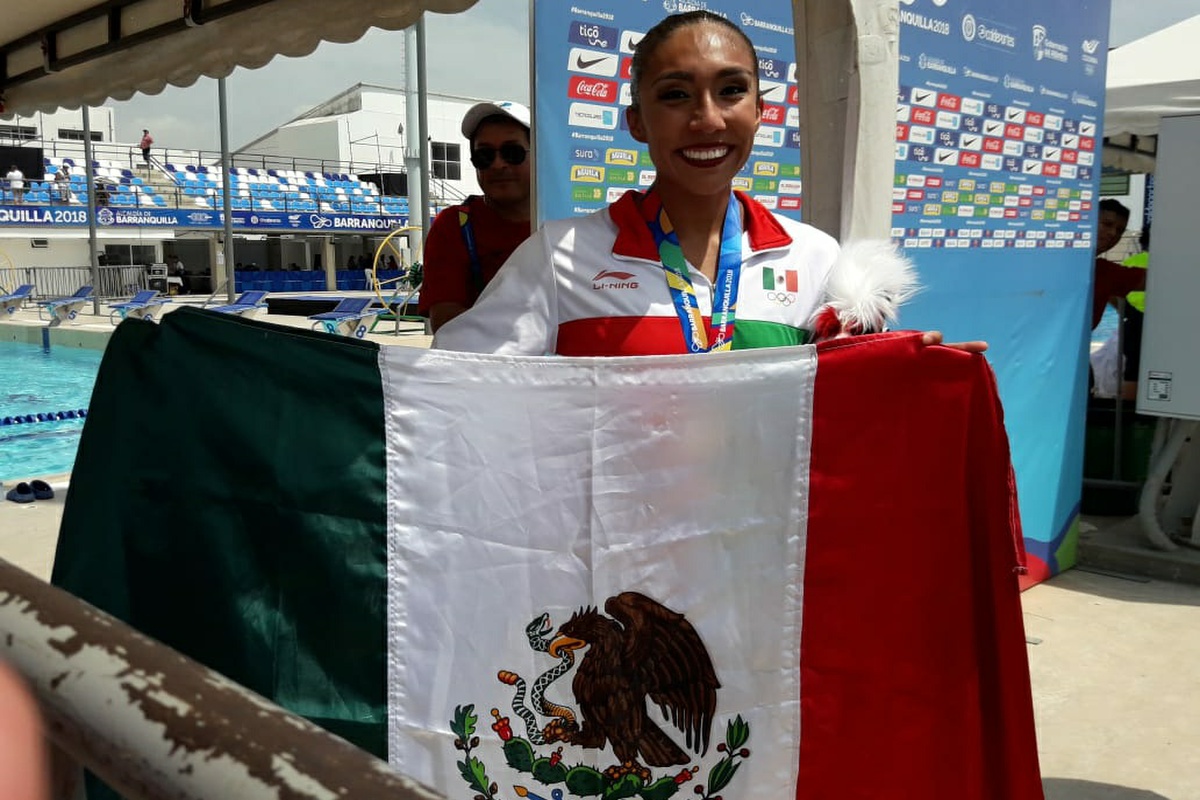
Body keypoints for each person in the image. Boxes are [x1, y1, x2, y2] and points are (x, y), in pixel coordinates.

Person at [435, 13, 978, 356]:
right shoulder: (560, 257)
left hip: (762, 537)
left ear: (761, 111)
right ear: (638, 122)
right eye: (675, 95)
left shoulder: (814, 257)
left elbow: (842, 419)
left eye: (731, 91)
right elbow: (452, 388)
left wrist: (908, 376)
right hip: (612, 538)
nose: (708, 120)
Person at [419, 100, 533, 333]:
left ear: (538, 154)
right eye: (485, 156)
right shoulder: (453, 226)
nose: (498, 164)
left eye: (513, 153)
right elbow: (447, 324)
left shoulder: (567, 223)